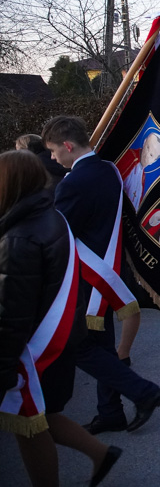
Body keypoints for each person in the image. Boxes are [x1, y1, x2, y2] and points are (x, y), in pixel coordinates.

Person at [0, 150, 122, 487]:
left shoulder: (19, 237)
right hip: (60, 340)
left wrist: (5, 367)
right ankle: (100, 454)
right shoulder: (50, 216)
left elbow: (12, 312)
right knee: (45, 417)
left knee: (31, 423)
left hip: (36, 351)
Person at [42, 116, 160, 436]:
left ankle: (142, 392)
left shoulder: (73, 183)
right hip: (107, 272)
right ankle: (110, 411)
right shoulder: (108, 170)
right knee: (101, 346)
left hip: (86, 277)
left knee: (81, 348)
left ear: (68, 146)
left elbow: (57, 232)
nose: (53, 158)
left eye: (55, 151)